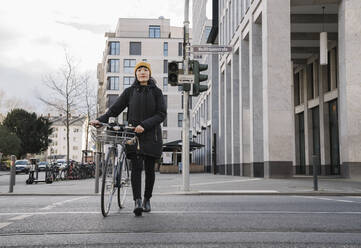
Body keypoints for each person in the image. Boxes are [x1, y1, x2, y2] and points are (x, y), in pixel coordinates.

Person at [90, 62, 166, 216]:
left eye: (145, 70)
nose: (142, 72)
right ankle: (137, 200)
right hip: (133, 135)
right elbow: (115, 109)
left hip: (152, 135)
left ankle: (147, 199)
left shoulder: (157, 92)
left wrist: (144, 125)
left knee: (150, 170)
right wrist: (100, 120)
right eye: (139, 70)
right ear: (136, 74)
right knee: (136, 169)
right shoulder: (130, 92)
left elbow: (161, 114)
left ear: (149, 74)